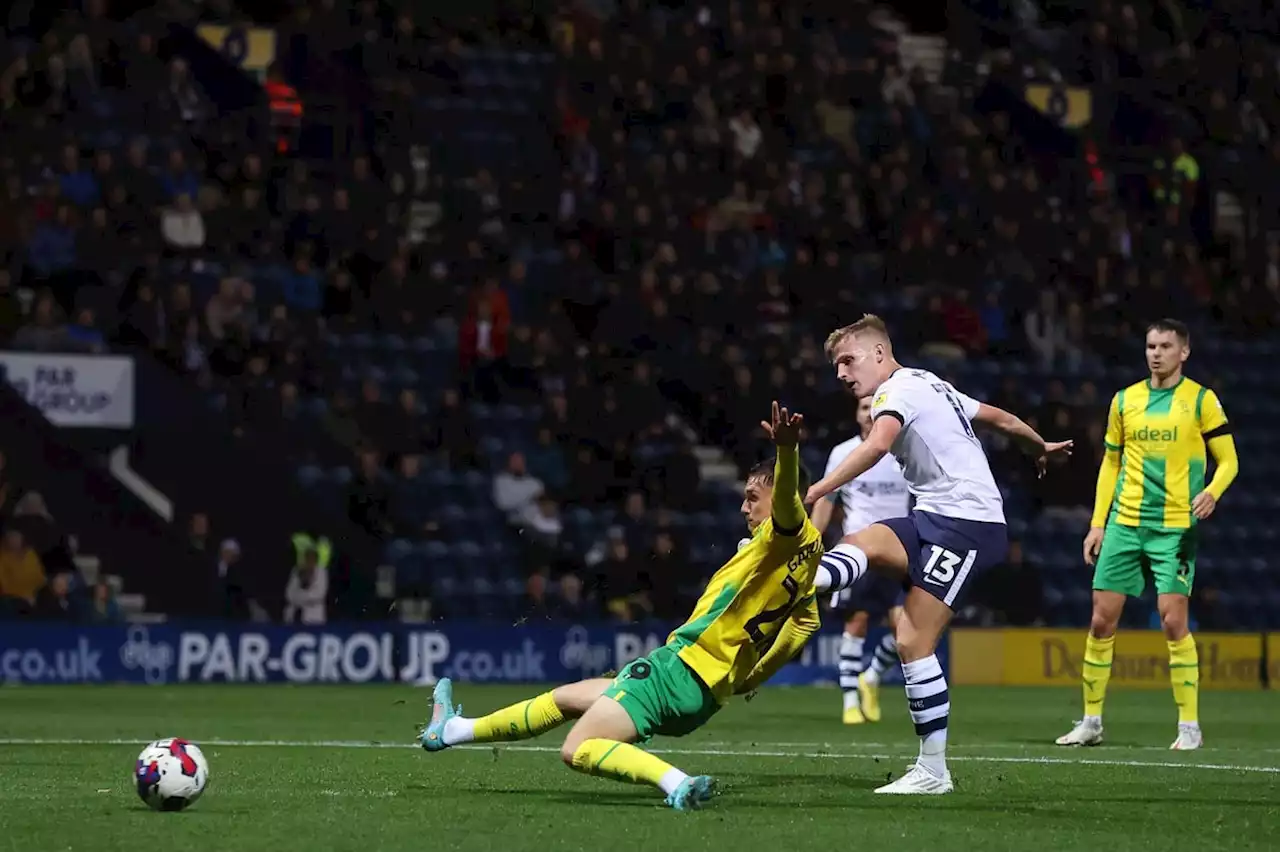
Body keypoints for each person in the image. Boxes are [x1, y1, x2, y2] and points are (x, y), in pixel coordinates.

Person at [419, 403, 822, 811]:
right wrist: (749, 678)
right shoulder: (807, 559)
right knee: (566, 699)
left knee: (577, 748)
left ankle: (677, 784)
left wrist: (786, 451)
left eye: (753, 497)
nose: (744, 508)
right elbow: (804, 626)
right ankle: (452, 730)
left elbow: (787, 503)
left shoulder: (783, 533)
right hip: (706, 696)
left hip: (678, 671)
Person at [805, 315, 1072, 795]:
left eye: (848, 360)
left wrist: (819, 489)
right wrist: (1040, 444)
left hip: (967, 526)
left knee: (911, 640)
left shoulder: (895, 393)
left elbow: (879, 444)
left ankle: (933, 772)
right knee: (863, 541)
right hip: (934, 517)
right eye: (836, 366)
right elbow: (998, 417)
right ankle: (800, 582)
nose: (842, 374)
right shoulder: (929, 381)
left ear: (880, 354)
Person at [1056, 319, 1237, 751]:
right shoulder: (1125, 401)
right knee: (1101, 621)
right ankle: (1092, 721)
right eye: (1151, 346)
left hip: (1175, 527)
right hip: (1125, 523)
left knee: (1174, 621)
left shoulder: (1201, 401)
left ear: (1184, 352)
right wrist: (1098, 523)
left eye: (1166, 346)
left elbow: (1229, 461)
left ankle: (1189, 726)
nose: (1156, 353)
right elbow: (1111, 465)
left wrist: (1212, 492)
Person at [811, 394, 910, 725]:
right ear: (856, 415)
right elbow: (827, 500)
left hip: (900, 551)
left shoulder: (904, 450)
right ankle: (850, 701)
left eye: (875, 408)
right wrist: (810, 543)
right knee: (857, 623)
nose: (870, 414)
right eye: (864, 408)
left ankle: (871, 676)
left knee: (907, 631)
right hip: (860, 552)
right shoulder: (843, 452)